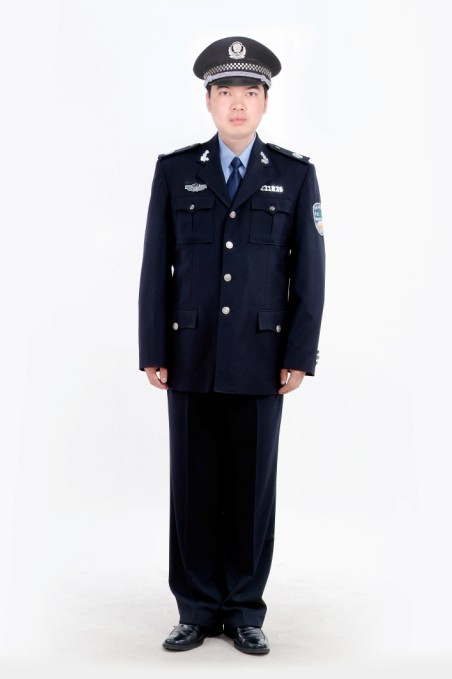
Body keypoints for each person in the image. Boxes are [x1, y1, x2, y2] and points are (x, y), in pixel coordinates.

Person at [138, 35, 325, 655]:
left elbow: (310, 272)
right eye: (225, 92)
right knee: (193, 487)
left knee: (251, 490)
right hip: (189, 355)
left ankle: (244, 608)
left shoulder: (294, 175)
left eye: (249, 92)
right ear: (209, 102)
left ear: (265, 102)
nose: (237, 103)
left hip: (261, 359)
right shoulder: (176, 171)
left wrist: (298, 355)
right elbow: (156, 266)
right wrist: (153, 347)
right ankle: (195, 609)